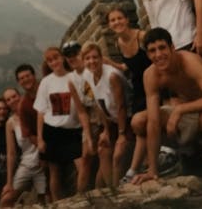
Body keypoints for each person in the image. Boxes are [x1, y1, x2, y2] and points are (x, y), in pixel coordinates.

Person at [132, 28, 202, 185]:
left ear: (172, 47)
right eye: (152, 51)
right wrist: (152, 171)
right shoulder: (151, 75)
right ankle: (187, 153)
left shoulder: (190, 62)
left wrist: (180, 109)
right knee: (139, 120)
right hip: (191, 113)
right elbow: (154, 122)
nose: (158, 55)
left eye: (162, 48)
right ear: (148, 55)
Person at [106, 6, 151, 183]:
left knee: (144, 121)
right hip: (139, 87)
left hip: (154, 81)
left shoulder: (141, 37)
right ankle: (137, 168)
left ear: (127, 19)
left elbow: (156, 56)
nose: (117, 22)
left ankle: (137, 169)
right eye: (113, 20)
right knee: (137, 124)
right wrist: (109, 62)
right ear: (109, 25)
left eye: (119, 18)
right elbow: (128, 67)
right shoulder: (119, 43)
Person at [33, 46, 84, 201]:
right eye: (50, 60)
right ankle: (58, 204)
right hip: (52, 132)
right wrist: (40, 139)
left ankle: (83, 198)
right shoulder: (46, 83)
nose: (54, 62)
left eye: (56, 57)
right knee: (55, 172)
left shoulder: (74, 77)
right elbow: (41, 113)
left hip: (73, 130)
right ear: (47, 63)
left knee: (82, 165)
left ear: (62, 58)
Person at [82, 41, 133, 188]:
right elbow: (99, 105)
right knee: (103, 150)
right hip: (112, 121)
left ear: (101, 58)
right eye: (88, 58)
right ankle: (112, 189)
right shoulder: (88, 76)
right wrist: (105, 130)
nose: (92, 61)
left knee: (118, 155)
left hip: (127, 118)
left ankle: (118, 193)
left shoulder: (111, 76)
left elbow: (121, 106)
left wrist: (121, 134)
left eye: (95, 57)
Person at [0, 88, 46, 207]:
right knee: (6, 200)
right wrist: (9, 182)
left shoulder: (34, 111)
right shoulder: (10, 123)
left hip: (43, 161)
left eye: (14, 96)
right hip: (26, 164)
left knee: (45, 200)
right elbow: (11, 153)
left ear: (19, 96)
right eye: (8, 99)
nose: (12, 100)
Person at [61, 41, 97, 192]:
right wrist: (88, 136)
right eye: (68, 56)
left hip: (103, 112)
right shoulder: (71, 80)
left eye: (75, 53)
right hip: (90, 117)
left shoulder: (92, 68)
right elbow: (81, 111)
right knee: (86, 156)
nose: (72, 57)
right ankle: (81, 198)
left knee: (104, 150)